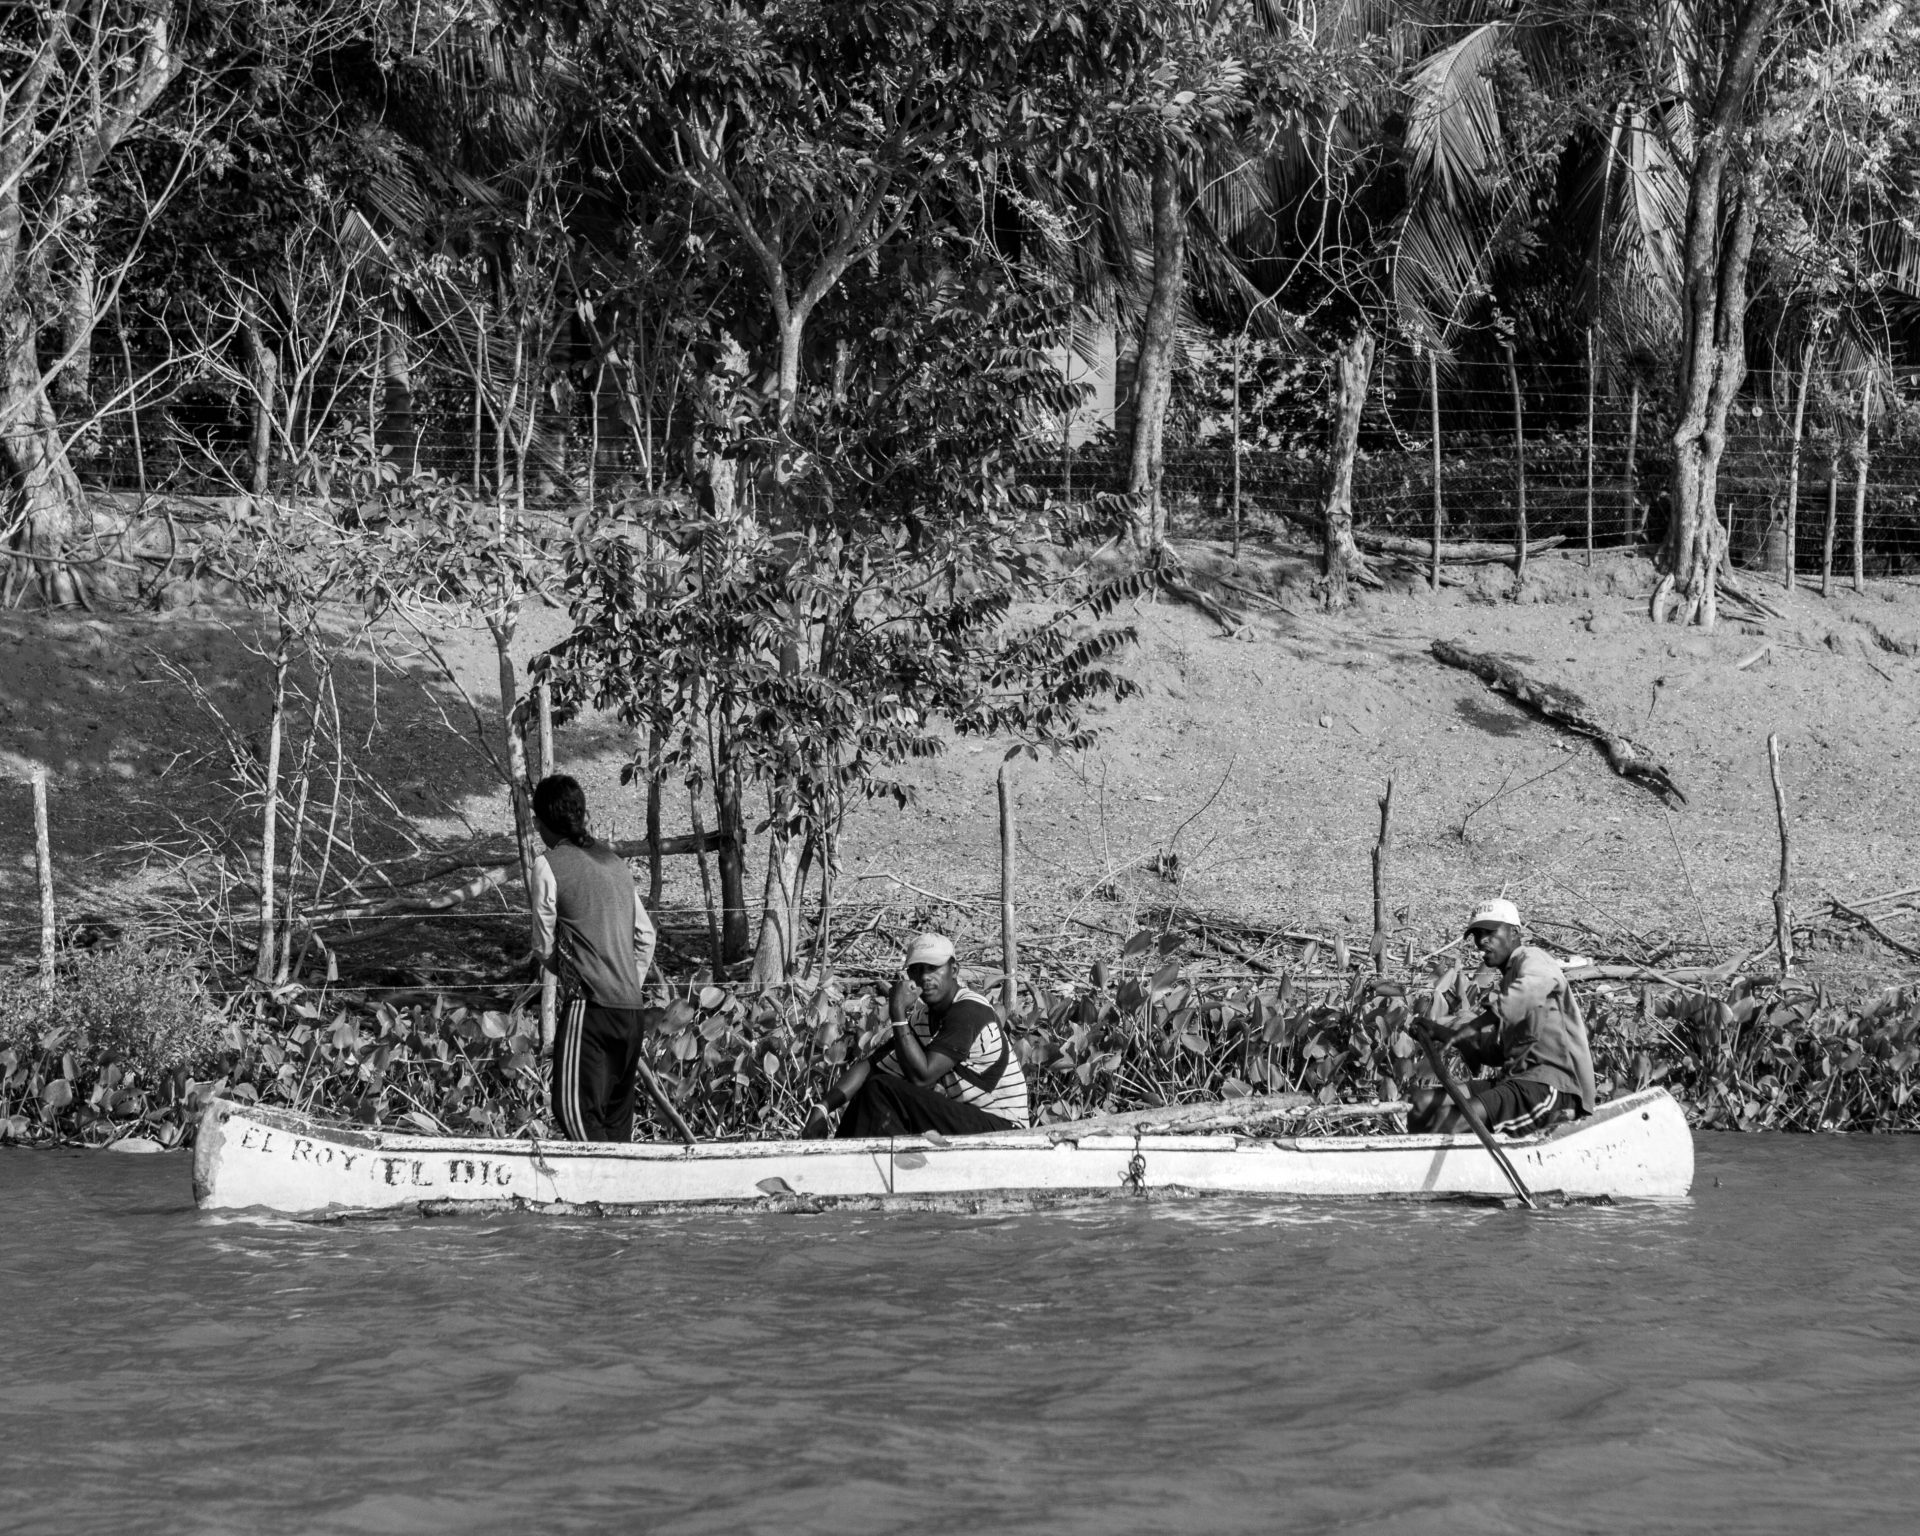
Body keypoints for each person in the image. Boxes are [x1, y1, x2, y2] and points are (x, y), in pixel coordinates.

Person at [530, 774, 659, 1142]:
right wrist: (625, 982)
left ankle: (598, 1194)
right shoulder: (614, 863)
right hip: (631, 1013)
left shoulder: (548, 865)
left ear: (542, 823)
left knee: (573, 1113)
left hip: (590, 1011)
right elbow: (645, 936)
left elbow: (543, 944)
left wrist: (570, 973)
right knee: (615, 1126)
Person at [802, 933, 1029, 1139]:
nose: (925, 977)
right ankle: (842, 1161)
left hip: (1005, 1128)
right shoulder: (923, 1018)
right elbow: (873, 1065)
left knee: (881, 1090)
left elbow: (924, 1076)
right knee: (875, 1085)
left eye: (933, 968)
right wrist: (822, 1107)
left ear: (954, 970)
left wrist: (897, 1012)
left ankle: (848, 1168)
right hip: (970, 1121)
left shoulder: (969, 1011)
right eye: (917, 970)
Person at [1407, 898, 1596, 1136]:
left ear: (1514, 932)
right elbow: (1498, 1054)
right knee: (1421, 1104)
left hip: (1553, 1089)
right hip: (1515, 1082)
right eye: (1477, 934)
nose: (1481, 941)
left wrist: (1477, 1024)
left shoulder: (1532, 958)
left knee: (1450, 1121)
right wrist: (1442, 1033)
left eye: (1490, 932)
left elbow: (1535, 986)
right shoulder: (1508, 980)